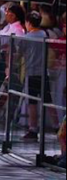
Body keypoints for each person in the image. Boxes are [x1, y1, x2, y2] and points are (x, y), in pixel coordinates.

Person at [21, 11, 52, 141]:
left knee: (32, 102)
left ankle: (33, 129)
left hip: (32, 72)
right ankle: (57, 126)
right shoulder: (45, 34)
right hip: (44, 72)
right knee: (48, 101)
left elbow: (19, 51)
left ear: (28, 22)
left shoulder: (27, 37)